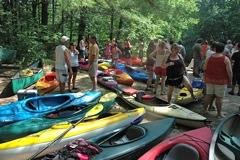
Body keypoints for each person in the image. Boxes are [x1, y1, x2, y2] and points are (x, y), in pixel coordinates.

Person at [203, 42, 232, 118]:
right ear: (223, 50)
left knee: (208, 95)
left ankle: (205, 110)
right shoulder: (225, 59)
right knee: (219, 97)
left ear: (215, 49)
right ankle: (219, 113)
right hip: (221, 80)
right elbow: (229, 71)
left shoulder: (209, 58)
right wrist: (230, 81)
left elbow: (204, 68)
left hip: (209, 79)